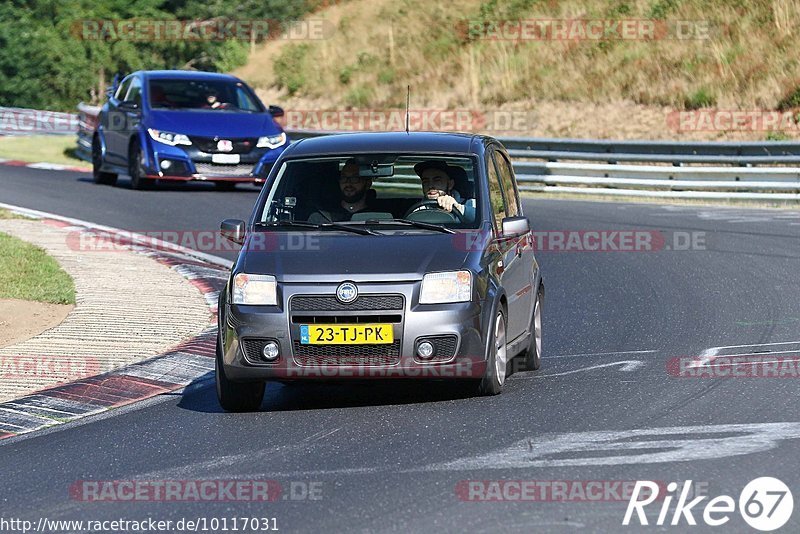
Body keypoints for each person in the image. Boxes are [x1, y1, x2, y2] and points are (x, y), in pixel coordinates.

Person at [307, 160, 374, 222]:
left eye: (354, 178)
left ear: (368, 183)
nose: (348, 183)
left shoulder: (378, 217)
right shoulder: (321, 217)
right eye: (344, 178)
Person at [410, 160, 476, 222]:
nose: (430, 186)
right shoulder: (418, 210)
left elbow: (482, 220)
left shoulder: (471, 203)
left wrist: (458, 208)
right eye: (426, 181)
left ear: (450, 184)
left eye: (437, 180)